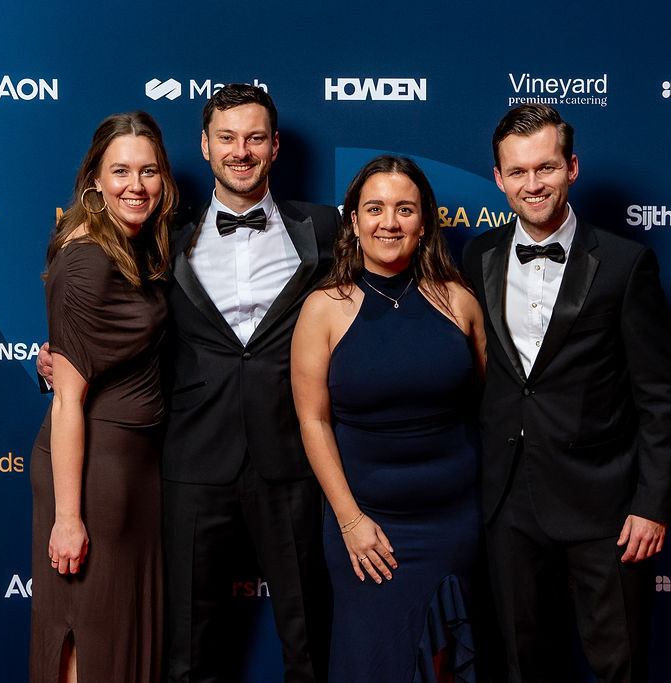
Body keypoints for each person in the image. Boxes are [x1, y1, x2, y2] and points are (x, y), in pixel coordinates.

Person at [461, 104, 671, 682]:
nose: (532, 184)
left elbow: (660, 397)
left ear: (572, 168)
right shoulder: (478, 256)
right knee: (522, 665)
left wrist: (651, 504)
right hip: (509, 500)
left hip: (606, 504)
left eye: (546, 167)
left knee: (620, 665)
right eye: (517, 171)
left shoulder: (626, 264)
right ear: (498, 179)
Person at [160, 84, 338, 682]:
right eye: (228, 138)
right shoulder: (164, 236)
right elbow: (116, 314)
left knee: (310, 643)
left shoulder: (324, 229)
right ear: (204, 146)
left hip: (292, 458)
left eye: (255, 138)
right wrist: (62, 359)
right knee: (188, 652)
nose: (241, 151)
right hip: (193, 459)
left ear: (275, 146)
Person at [291, 155, 488, 682]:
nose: (390, 222)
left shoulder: (460, 302)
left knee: (447, 666)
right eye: (375, 208)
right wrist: (350, 521)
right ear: (353, 221)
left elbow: (488, 406)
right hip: (368, 528)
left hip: (455, 524)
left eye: (405, 209)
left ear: (424, 223)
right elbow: (313, 422)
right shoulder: (323, 309)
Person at [29, 111, 177, 683]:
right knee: (85, 635)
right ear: (95, 179)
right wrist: (69, 518)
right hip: (92, 474)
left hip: (134, 470)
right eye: (120, 171)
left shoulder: (134, 247)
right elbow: (68, 400)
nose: (135, 186)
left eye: (148, 171)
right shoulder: (86, 259)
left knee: (119, 638)